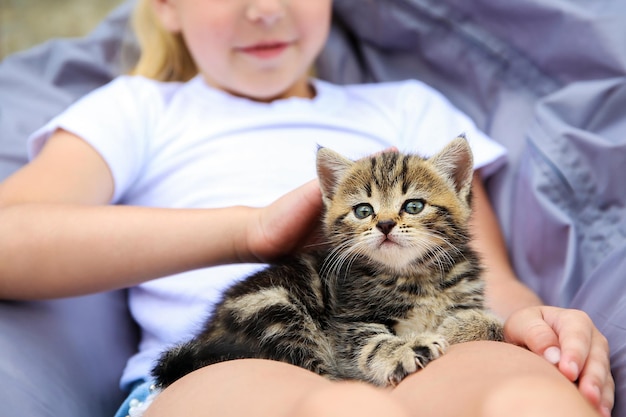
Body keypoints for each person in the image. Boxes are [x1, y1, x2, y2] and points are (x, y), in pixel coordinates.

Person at [0, 0, 614, 416]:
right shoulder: (137, 108)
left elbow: (486, 280)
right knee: (343, 408)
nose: (266, 8)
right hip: (231, 359)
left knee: (527, 396)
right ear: (166, 5)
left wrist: (539, 326)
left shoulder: (407, 109)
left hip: (423, 341)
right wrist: (249, 234)